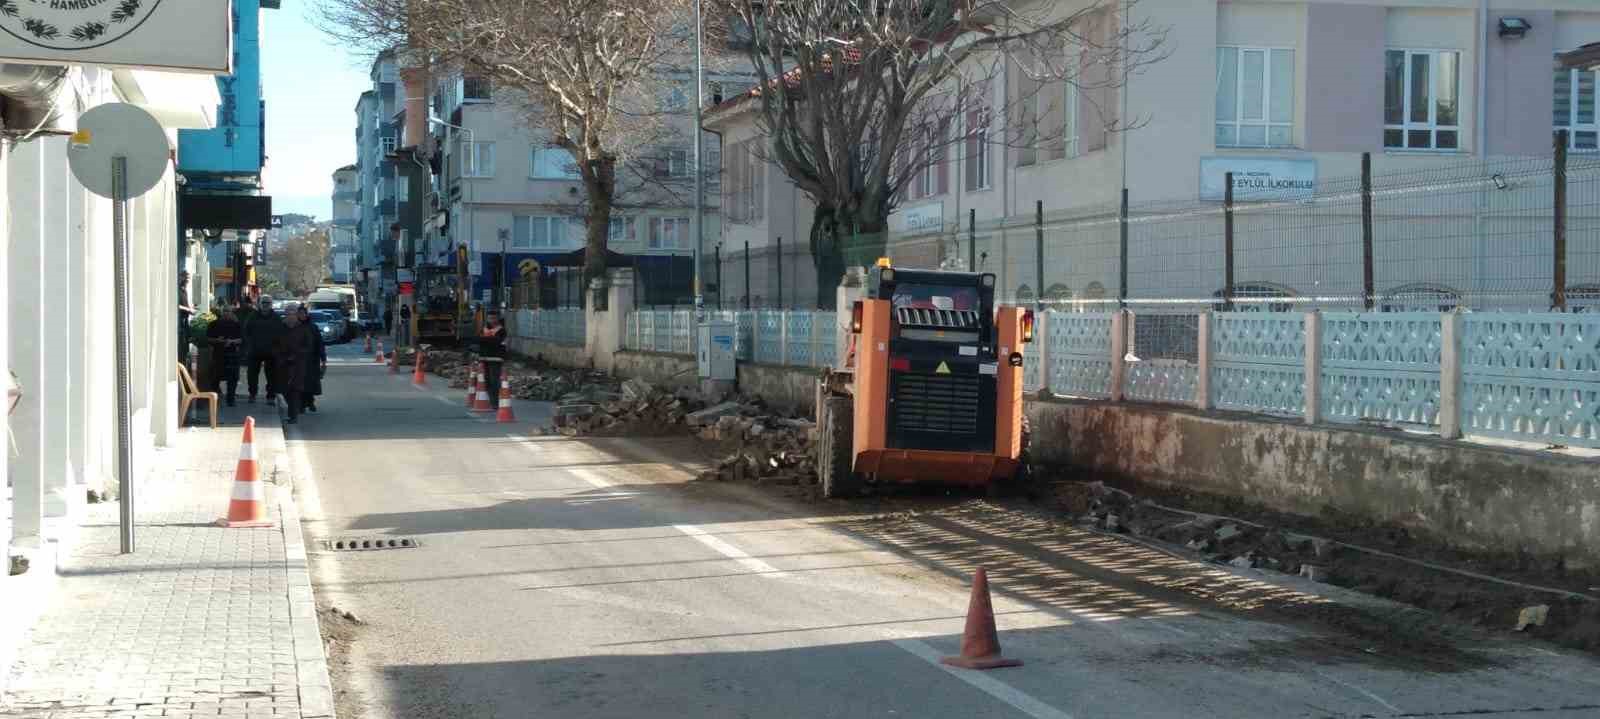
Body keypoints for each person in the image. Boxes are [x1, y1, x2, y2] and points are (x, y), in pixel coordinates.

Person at [272, 310, 314, 423]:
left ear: (296, 317)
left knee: (295, 390)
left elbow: (308, 346)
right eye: (288, 315)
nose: (290, 318)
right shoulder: (280, 329)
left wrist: (298, 355)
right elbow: (274, 345)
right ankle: (292, 410)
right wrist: (279, 357)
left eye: (292, 315)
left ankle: (293, 415)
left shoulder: (303, 329)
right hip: (283, 364)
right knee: (284, 390)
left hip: (298, 364)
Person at [244, 303, 285, 403]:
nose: (265, 305)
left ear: (271, 305)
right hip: (255, 351)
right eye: (263, 303)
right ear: (260, 304)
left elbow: (281, 333)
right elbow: (246, 331)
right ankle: (252, 394)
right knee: (252, 375)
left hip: (271, 352)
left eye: (268, 303)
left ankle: (270, 396)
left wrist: (276, 347)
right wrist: (250, 344)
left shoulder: (276, 317)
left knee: (272, 376)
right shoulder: (253, 316)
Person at [205, 306, 244, 406]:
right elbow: (208, 338)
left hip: (232, 353)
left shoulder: (236, 325)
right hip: (218, 354)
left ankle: (230, 399)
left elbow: (241, 339)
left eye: (229, 311)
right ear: (221, 312)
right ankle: (214, 399)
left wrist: (231, 341)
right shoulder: (213, 324)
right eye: (225, 311)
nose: (226, 313)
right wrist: (218, 340)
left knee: (233, 378)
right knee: (216, 377)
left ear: (232, 313)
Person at [296, 306, 327, 413]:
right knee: (299, 383)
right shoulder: (294, 326)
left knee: (310, 383)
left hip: (311, 360)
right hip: (297, 360)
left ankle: (310, 401)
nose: (301, 315)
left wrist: (323, 359)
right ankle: (301, 404)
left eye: (303, 313)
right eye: (299, 313)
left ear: (306, 314)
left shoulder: (312, 327)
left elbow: (319, 344)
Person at [478, 310, 508, 403]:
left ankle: (495, 401)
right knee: (486, 380)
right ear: (487, 319)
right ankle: (489, 399)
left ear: (498, 319)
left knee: (494, 380)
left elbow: (498, 343)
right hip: (484, 358)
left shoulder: (501, 330)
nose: (492, 320)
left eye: (494, 318)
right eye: (490, 318)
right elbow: (477, 340)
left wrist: (485, 340)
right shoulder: (484, 329)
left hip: (496, 359)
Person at [178, 270, 195, 364]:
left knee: (186, 345)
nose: (187, 280)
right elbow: (176, 305)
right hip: (179, 321)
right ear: (181, 277)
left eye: (188, 278)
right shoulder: (178, 290)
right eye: (186, 278)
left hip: (185, 321)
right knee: (181, 344)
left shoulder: (185, 291)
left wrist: (191, 308)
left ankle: (184, 363)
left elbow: (185, 304)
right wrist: (188, 310)